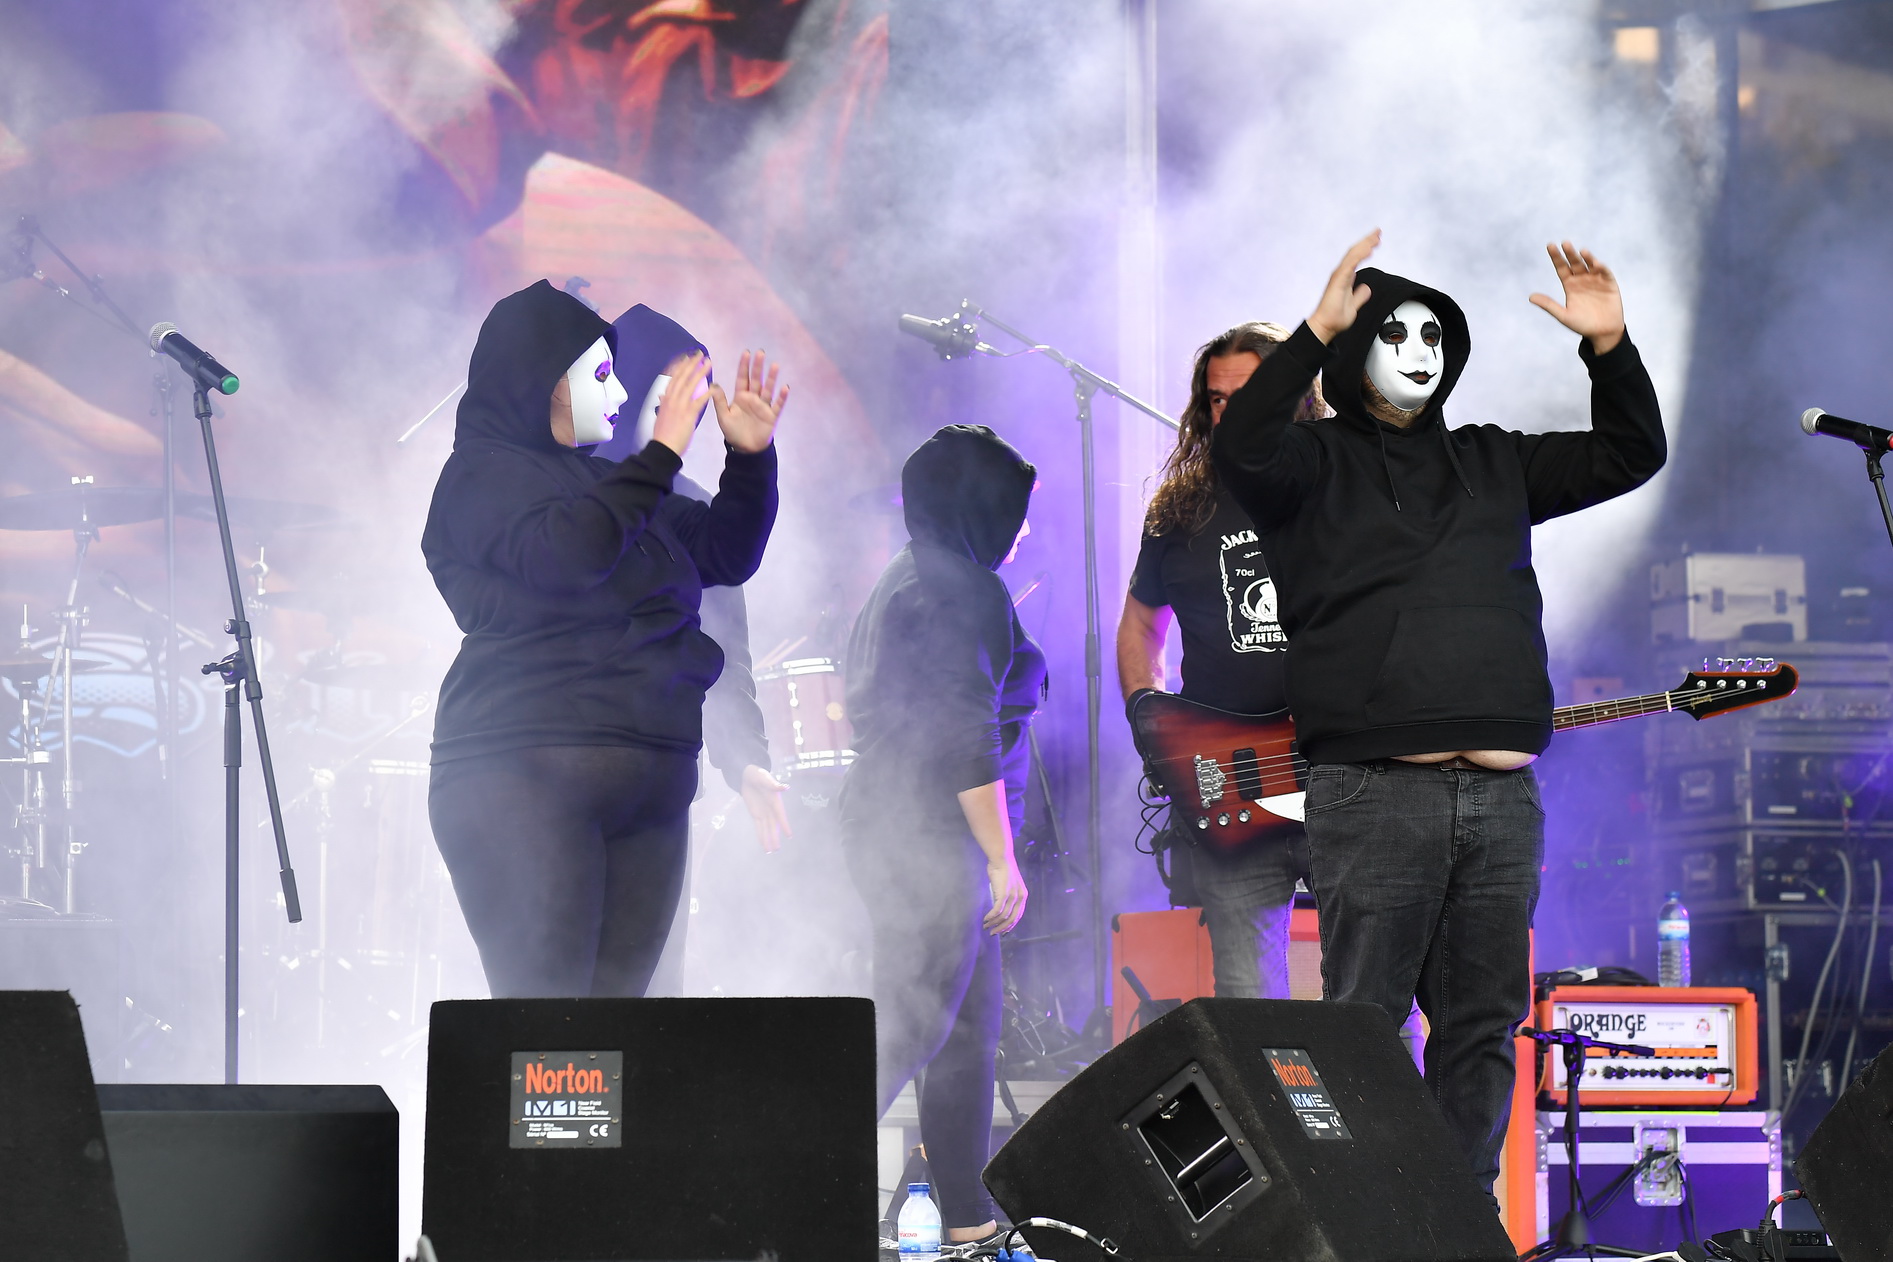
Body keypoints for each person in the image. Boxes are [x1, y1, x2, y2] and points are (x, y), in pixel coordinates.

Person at [1211, 233, 1665, 1198]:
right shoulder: (1308, 464)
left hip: (1501, 803)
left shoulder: (1491, 460)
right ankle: (1364, 1224)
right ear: (1351, 351)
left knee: (1480, 1028)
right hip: (1375, 794)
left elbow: (1631, 452)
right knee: (1362, 1027)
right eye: (1393, 334)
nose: (1418, 351)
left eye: (1433, 336)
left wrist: (1608, 346)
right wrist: (1311, 332)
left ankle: (1455, 1225)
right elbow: (1238, 445)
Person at [422, 279, 789, 998]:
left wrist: (749, 461)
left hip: (651, 775)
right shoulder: (480, 476)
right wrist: (660, 457)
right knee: (548, 1023)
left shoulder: (615, 483)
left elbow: (724, 554)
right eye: (600, 376)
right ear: (545, 381)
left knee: (618, 1026)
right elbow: (569, 558)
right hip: (523, 776)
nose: (619, 395)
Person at [840, 425, 1040, 1248]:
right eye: (1015, 509)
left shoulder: (909, 573)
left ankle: (967, 1219)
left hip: (901, 823)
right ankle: (780, 1184)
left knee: (965, 1033)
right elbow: (964, 731)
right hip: (928, 833)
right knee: (911, 1026)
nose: (1023, 529)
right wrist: (999, 857)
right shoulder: (963, 588)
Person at [1117, 321, 1318, 1000]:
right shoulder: (1179, 510)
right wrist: (1150, 718)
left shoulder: (1339, 486)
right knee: (1246, 999)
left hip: (1342, 778)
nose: (1230, 412)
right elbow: (1139, 625)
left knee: (1376, 988)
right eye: (1218, 399)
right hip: (1230, 786)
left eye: (1250, 394)